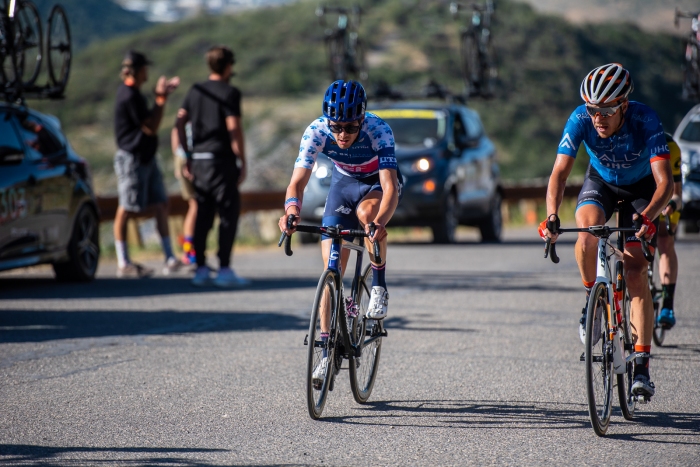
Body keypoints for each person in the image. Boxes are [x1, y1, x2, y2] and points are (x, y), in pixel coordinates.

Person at [539, 63, 673, 399]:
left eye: (606, 111)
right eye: (592, 110)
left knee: (634, 268)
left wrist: (650, 217)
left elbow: (665, 183)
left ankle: (641, 364)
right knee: (585, 235)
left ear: (624, 106)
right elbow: (558, 174)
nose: (597, 118)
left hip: (642, 188)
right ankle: (592, 301)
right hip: (601, 183)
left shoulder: (646, 120)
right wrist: (552, 216)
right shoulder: (580, 119)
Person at [278, 80, 403, 384]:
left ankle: (379, 286)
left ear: (362, 119)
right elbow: (297, 183)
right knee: (331, 269)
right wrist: (292, 211)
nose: (342, 135)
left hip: (376, 184)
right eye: (336, 127)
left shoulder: (379, 130)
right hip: (343, 185)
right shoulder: (317, 131)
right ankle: (324, 353)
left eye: (349, 127)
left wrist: (380, 223)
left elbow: (390, 188)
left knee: (367, 215)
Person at [175, 45, 249, 288]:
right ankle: (224, 268)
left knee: (203, 214)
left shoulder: (195, 91)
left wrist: (186, 153)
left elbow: (179, 120)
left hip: (199, 161)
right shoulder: (230, 92)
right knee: (227, 214)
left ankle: (201, 268)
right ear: (228, 66)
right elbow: (233, 128)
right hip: (222, 160)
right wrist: (242, 159)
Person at [113, 50, 182, 278]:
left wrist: (159, 98)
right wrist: (161, 99)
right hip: (132, 158)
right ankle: (123, 261)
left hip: (145, 157)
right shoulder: (130, 96)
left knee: (161, 204)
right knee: (126, 208)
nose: (147, 73)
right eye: (145, 69)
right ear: (138, 70)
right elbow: (151, 126)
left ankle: (169, 257)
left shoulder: (134, 95)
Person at [656, 132, 683, 328]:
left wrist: (671, 205)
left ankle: (667, 304)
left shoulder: (671, 147)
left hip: (667, 198)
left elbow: (678, 194)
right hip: (644, 195)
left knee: (664, 241)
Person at [171, 124, 197, 266]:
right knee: (195, 205)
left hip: (187, 157)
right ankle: (188, 252)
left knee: (196, 205)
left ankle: (190, 250)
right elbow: (177, 129)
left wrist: (177, 156)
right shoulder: (192, 105)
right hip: (189, 158)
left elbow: (176, 129)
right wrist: (181, 157)